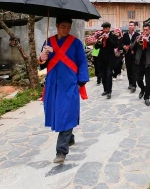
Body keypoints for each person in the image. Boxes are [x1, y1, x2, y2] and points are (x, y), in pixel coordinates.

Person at [38, 16, 89, 164]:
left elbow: (81, 62)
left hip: (70, 85)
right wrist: (43, 56)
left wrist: (80, 82)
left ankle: (61, 151)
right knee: (58, 113)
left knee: (67, 112)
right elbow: (42, 64)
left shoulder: (76, 43)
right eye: (63, 26)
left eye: (68, 27)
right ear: (56, 25)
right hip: (53, 85)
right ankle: (70, 137)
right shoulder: (48, 42)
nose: (66, 29)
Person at [130, 23, 150, 106]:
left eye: (147, 30)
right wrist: (137, 41)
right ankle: (143, 89)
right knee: (138, 80)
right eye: (144, 29)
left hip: (148, 63)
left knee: (148, 81)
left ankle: (147, 97)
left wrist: (148, 41)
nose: (145, 31)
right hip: (139, 62)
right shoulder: (138, 37)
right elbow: (131, 48)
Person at [94, 22, 118, 99]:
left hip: (110, 58)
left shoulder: (113, 36)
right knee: (103, 75)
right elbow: (96, 47)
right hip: (102, 58)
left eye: (106, 28)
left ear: (109, 28)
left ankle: (109, 91)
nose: (105, 30)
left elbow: (115, 45)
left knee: (109, 74)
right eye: (104, 28)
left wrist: (108, 38)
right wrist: (98, 41)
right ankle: (105, 89)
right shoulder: (100, 36)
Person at [122, 21, 140, 93]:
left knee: (134, 70)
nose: (130, 26)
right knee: (129, 69)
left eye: (131, 25)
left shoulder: (137, 35)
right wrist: (123, 46)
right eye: (129, 25)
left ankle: (134, 85)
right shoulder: (125, 35)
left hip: (134, 54)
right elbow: (122, 43)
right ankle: (130, 83)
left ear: (134, 26)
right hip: (127, 54)